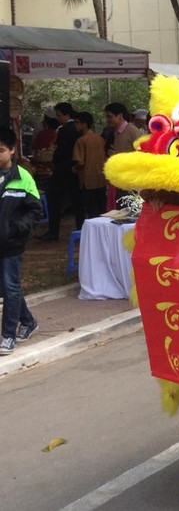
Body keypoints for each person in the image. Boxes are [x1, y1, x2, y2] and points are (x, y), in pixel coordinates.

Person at [0, 126, 43, 355]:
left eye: (1, 150)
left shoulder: (22, 177)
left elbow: (35, 210)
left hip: (12, 244)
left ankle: (8, 335)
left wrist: (17, 228)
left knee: (10, 286)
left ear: (12, 150)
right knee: (9, 288)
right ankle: (28, 321)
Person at [37, 102, 82, 241]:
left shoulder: (64, 129)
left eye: (59, 115)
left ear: (66, 114)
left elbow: (61, 151)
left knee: (53, 198)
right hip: (74, 169)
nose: (57, 118)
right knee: (77, 201)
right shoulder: (76, 128)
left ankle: (53, 231)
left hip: (63, 169)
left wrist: (55, 159)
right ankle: (80, 229)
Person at [72, 112, 108, 220]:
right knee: (102, 210)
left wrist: (74, 168)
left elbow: (79, 161)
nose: (75, 125)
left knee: (92, 211)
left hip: (87, 180)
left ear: (85, 124)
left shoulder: (81, 141)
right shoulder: (100, 139)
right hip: (101, 178)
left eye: (78, 123)